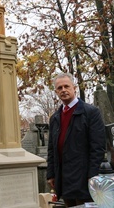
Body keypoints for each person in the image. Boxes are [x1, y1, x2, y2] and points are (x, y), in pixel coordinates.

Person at [46, 73, 106, 207]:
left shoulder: (90, 113)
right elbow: (52, 148)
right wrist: (51, 174)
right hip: (63, 177)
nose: (63, 90)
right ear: (56, 92)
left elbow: (98, 147)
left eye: (66, 86)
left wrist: (92, 175)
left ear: (74, 88)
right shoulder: (55, 118)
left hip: (83, 177)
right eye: (59, 88)